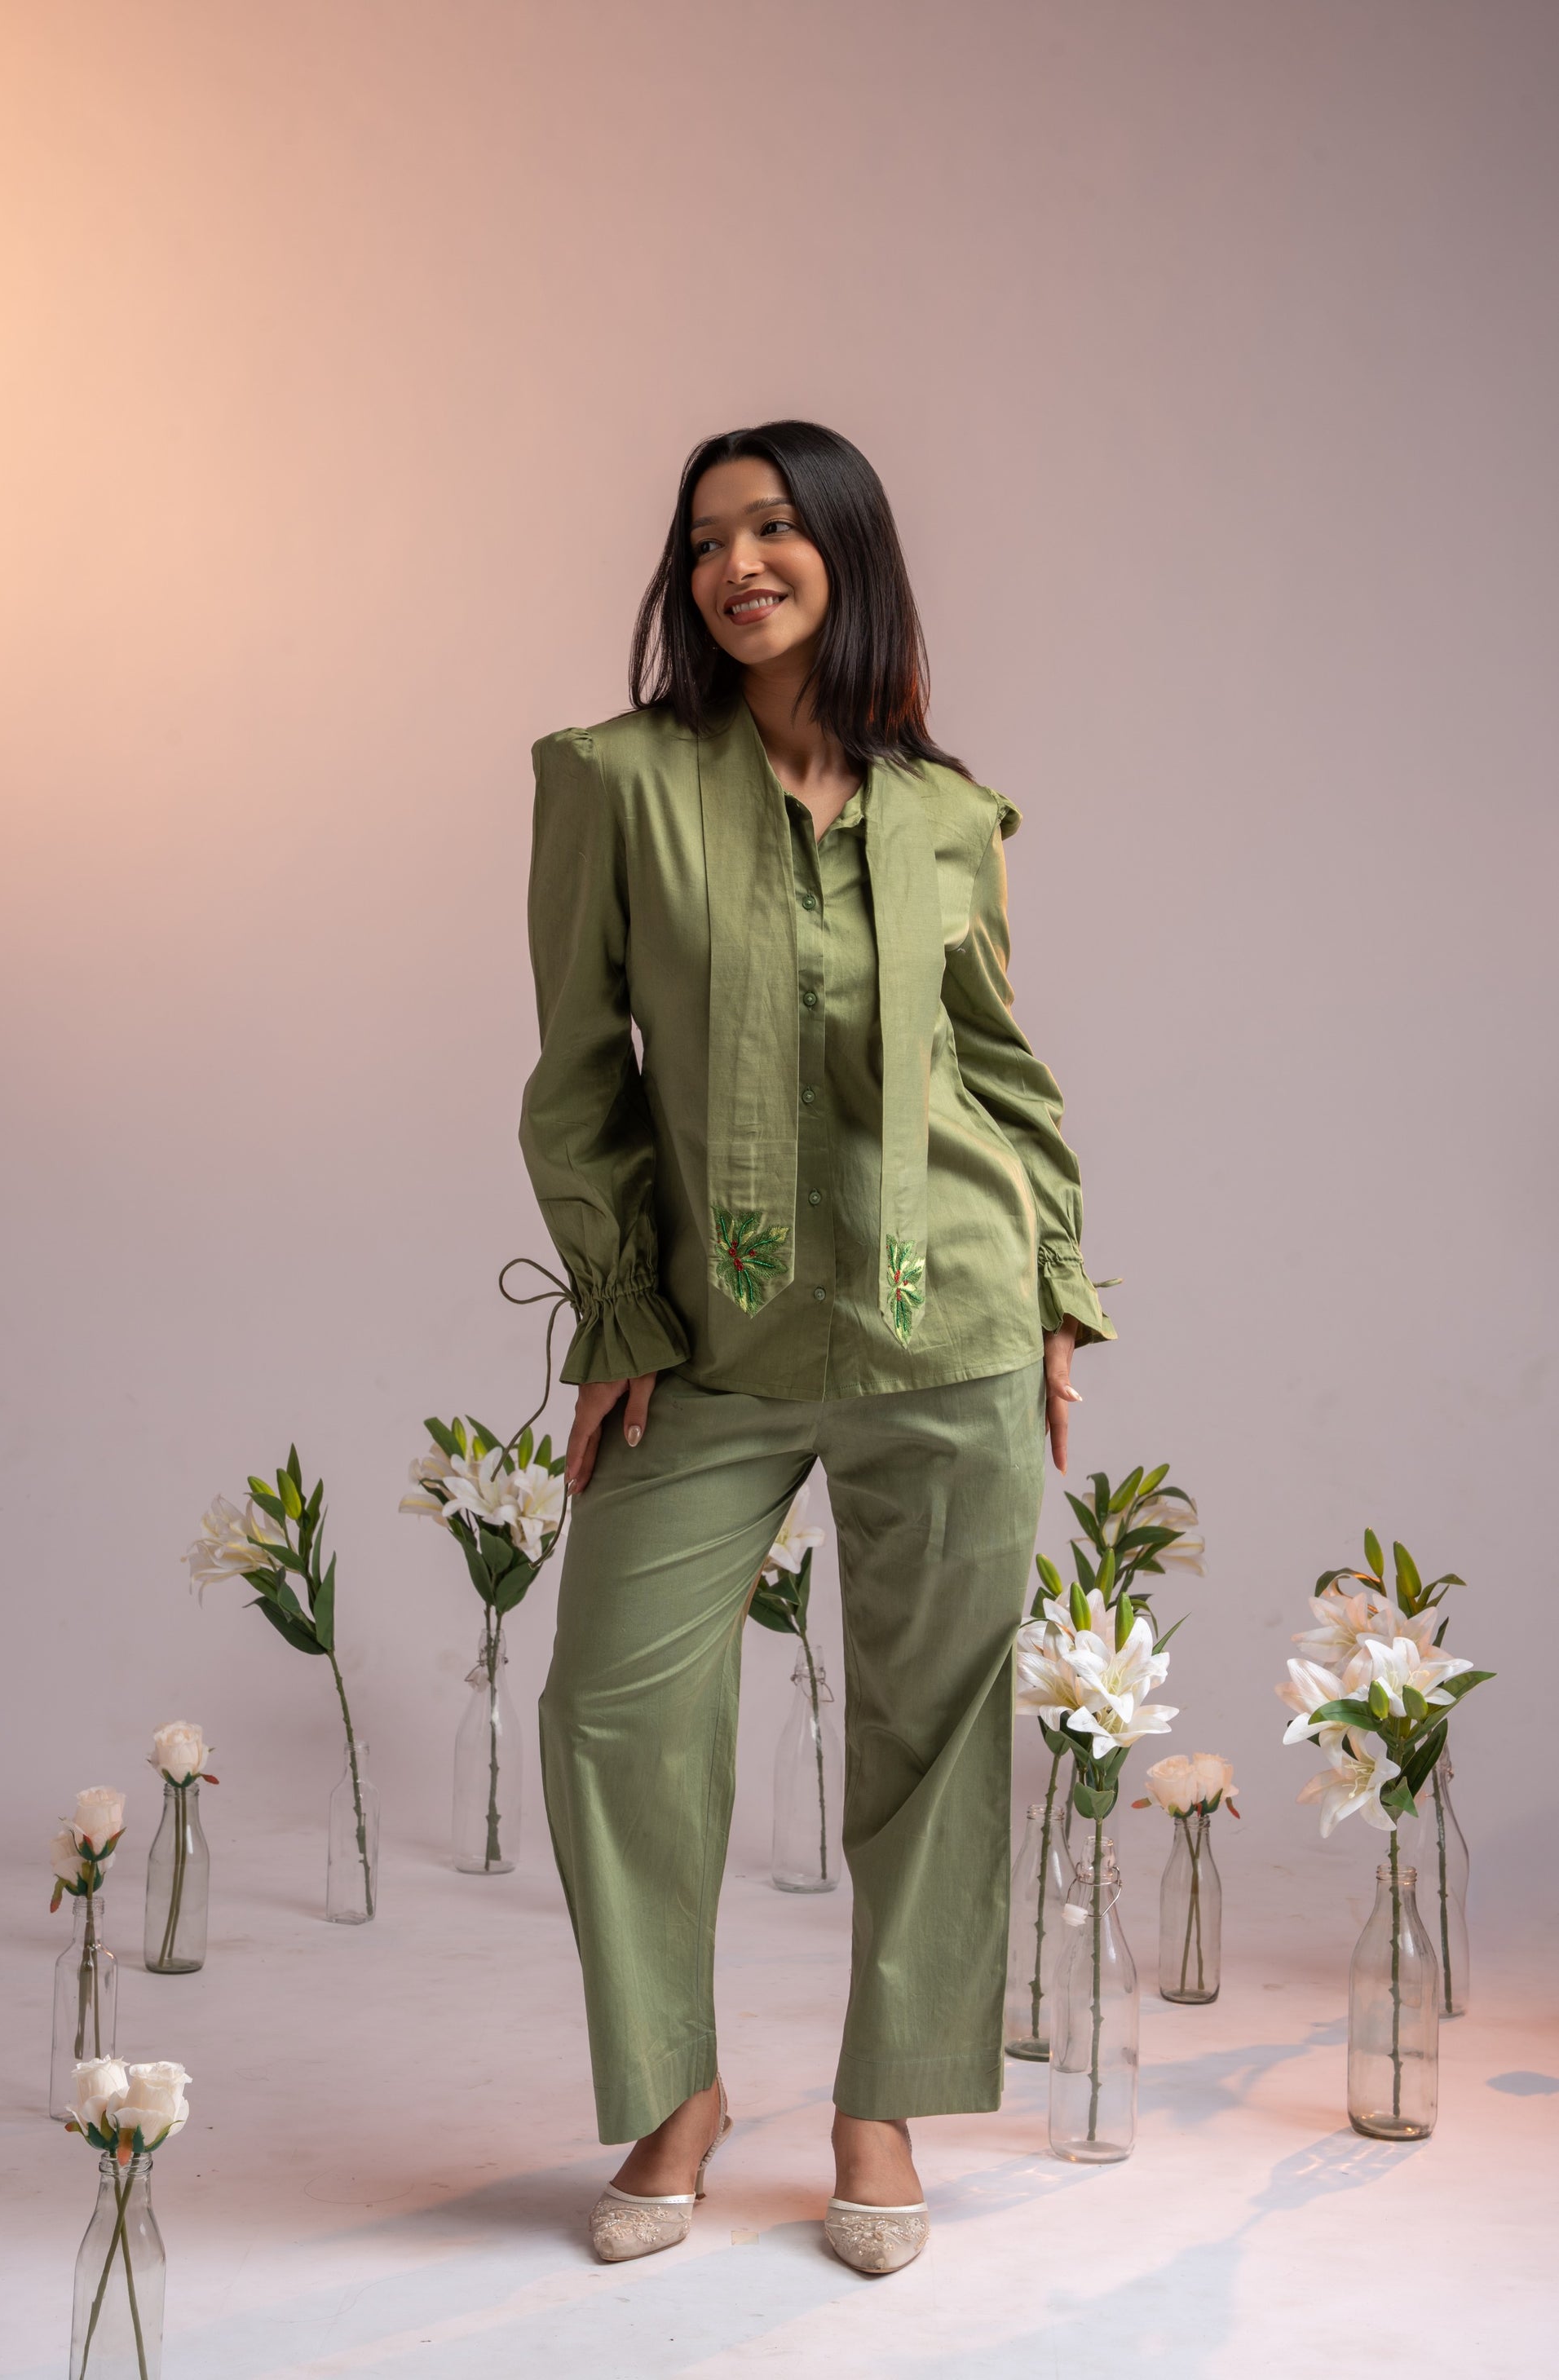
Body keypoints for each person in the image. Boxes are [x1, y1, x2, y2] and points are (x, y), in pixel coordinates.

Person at [519, 419, 1111, 2274]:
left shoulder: (949, 815)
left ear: (847, 551)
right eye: (706, 540)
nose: (737, 566)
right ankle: (675, 2089)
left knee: (934, 1722)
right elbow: (576, 1073)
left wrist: (1058, 1288)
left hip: (950, 1325)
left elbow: (999, 1068)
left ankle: (880, 2105)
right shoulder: (613, 782)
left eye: (775, 527)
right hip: (710, 1336)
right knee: (612, 1706)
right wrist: (618, 1305)